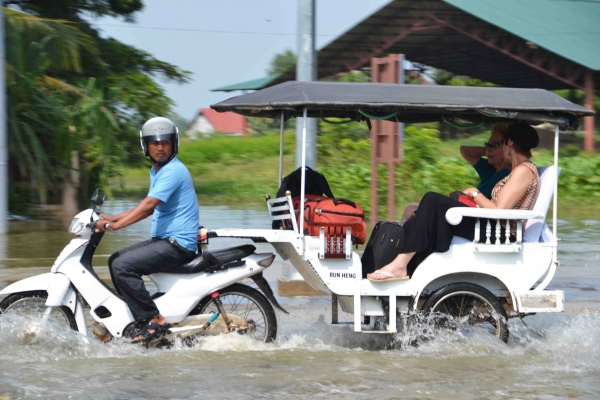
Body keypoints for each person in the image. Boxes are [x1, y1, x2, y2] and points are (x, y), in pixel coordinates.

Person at [368, 122, 540, 282]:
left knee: (432, 200)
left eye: (501, 144)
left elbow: (500, 210)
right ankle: (409, 268)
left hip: (500, 233)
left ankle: (400, 265)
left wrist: (474, 193)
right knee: (426, 211)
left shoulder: (524, 170)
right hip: (490, 225)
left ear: (509, 143)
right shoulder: (518, 170)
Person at [95, 117, 199, 343]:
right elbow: (148, 204)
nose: (160, 147)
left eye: (165, 142)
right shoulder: (158, 171)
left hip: (178, 244)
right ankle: (136, 320)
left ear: (174, 144)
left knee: (123, 266)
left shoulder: (173, 171)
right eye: (154, 143)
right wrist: (114, 217)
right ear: (146, 146)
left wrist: (115, 226)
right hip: (166, 240)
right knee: (115, 259)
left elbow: (148, 206)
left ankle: (155, 320)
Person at [400, 123, 512, 225]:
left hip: (472, 219)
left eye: (494, 144)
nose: (489, 148)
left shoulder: (508, 175)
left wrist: (474, 193)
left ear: (507, 146)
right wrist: (490, 150)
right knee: (411, 209)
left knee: (415, 209)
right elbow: (464, 150)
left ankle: (403, 244)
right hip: (463, 212)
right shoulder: (491, 169)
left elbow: (496, 208)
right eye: (488, 144)